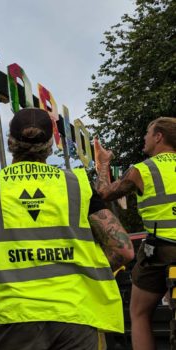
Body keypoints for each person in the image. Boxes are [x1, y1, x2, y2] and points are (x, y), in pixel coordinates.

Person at [0, 107, 134, 350]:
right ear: (50, 144)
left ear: (10, 141)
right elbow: (124, 250)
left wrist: (12, 271)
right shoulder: (77, 185)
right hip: (75, 315)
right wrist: (83, 270)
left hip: (16, 317)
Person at [94, 116, 176, 350]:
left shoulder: (142, 170)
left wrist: (103, 163)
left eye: (148, 133)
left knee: (139, 313)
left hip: (161, 251)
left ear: (159, 137)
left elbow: (104, 193)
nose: (144, 137)